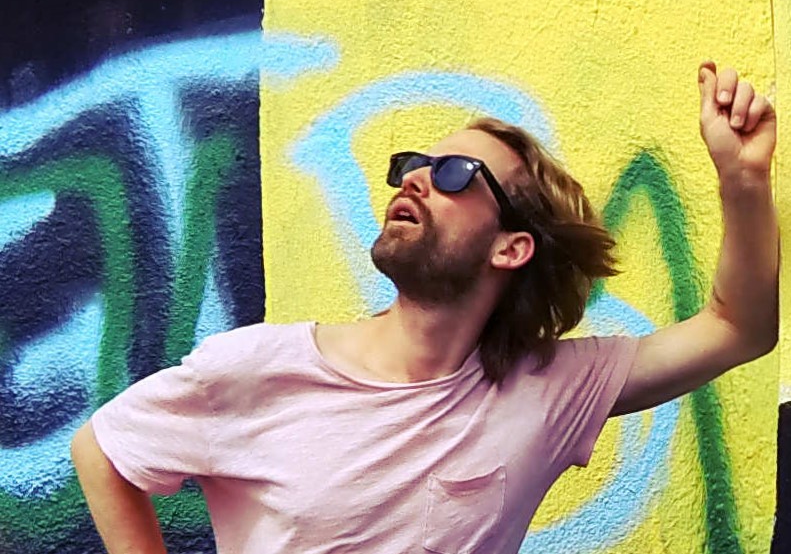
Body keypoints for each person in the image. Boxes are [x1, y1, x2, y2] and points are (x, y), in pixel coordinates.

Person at [71, 62, 778, 554]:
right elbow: (103, 449)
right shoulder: (257, 366)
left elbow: (735, 327)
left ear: (511, 247)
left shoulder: (545, 390)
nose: (413, 180)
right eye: (412, 165)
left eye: (454, 174)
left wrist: (742, 180)